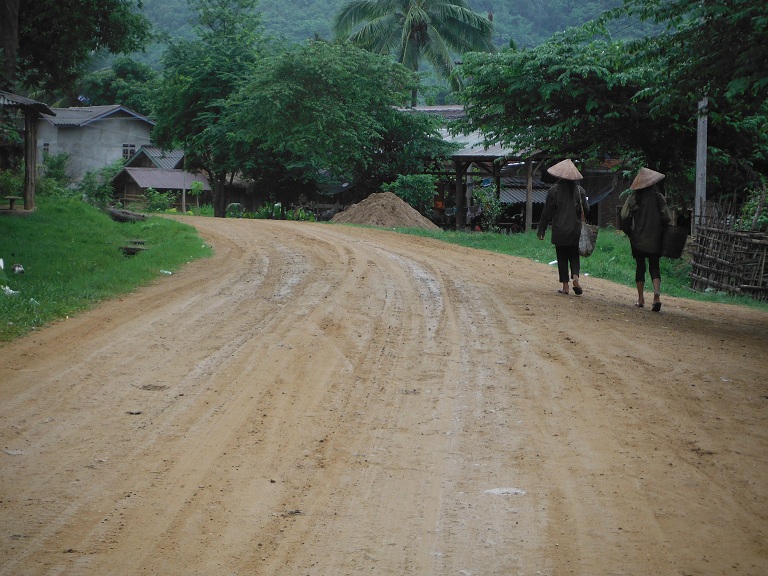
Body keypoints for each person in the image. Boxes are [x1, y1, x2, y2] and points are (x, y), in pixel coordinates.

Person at [620, 167, 672, 312]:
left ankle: (641, 298)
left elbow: (624, 216)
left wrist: (629, 231)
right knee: (654, 266)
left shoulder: (633, 198)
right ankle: (656, 294)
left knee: (640, 267)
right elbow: (667, 217)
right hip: (656, 238)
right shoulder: (658, 197)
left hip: (638, 239)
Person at [537, 159, 588, 295]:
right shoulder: (580, 190)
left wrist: (541, 229)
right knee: (574, 255)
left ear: (559, 175)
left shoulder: (554, 190)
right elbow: (587, 209)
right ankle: (576, 277)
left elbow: (547, 211)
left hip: (559, 229)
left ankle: (565, 286)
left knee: (562, 256)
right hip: (575, 229)